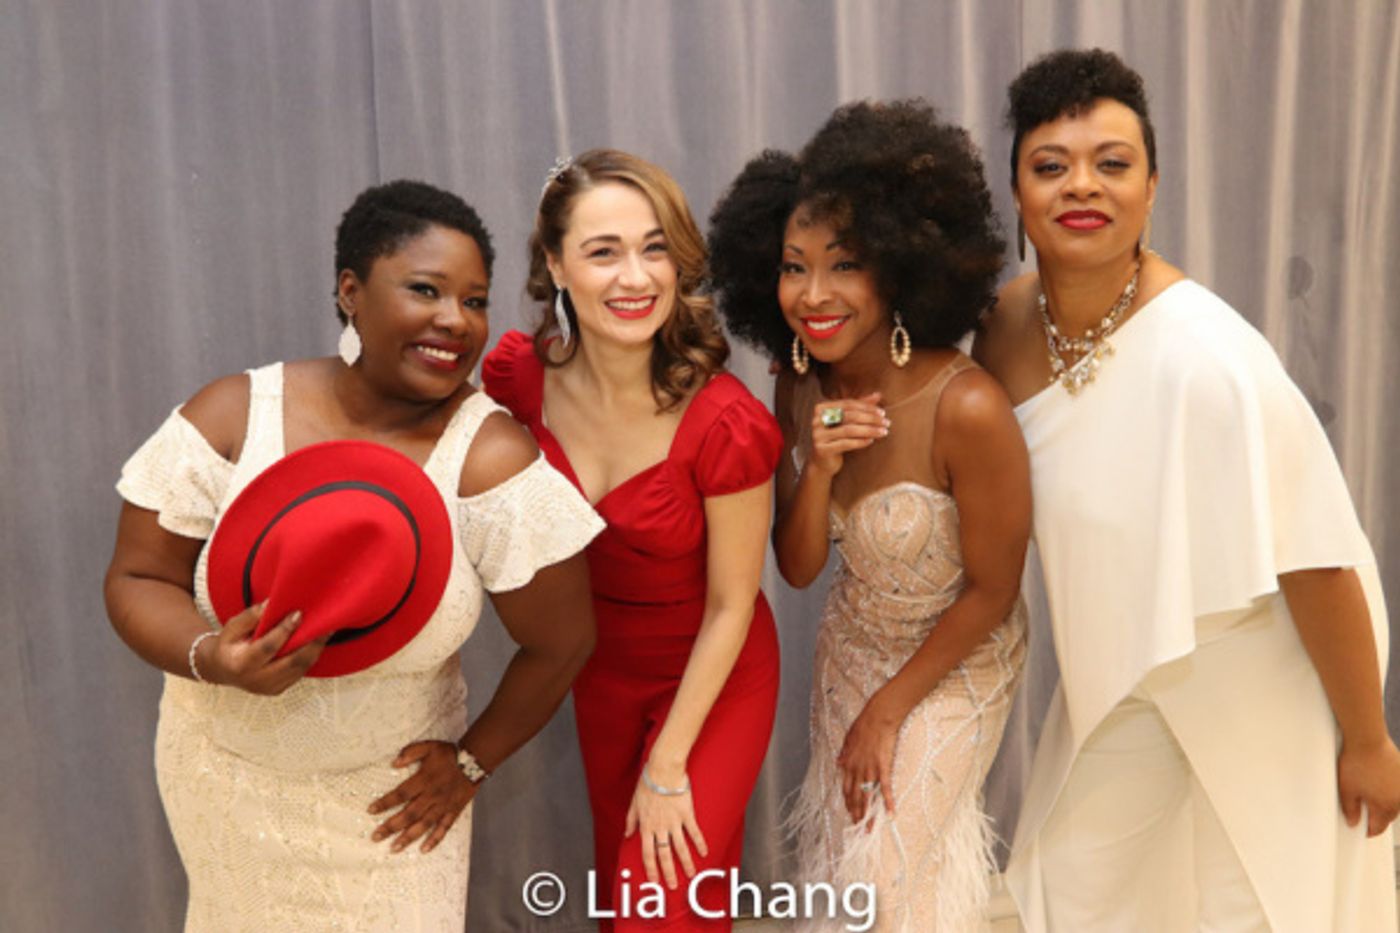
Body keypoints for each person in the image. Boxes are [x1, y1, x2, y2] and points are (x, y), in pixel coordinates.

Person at [974, 48, 1400, 932]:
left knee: (1258, 899)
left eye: (1113, 164)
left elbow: (1317, 562)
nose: (1080, 187)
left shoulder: (1211, 362)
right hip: (1132, 656)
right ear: (1016, 190)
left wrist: (1367, 739)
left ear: (1154, 185)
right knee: (1068, 887)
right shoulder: (1005, 327)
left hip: (1268, 663)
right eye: (1050, 166)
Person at [104, 180, 602, 931]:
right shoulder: (236, 415)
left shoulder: (488, 458)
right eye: (426, 289)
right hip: (222, 778)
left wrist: (469, 764)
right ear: (351, 291)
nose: (454, 320)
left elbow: (563, 640)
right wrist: (212, 655)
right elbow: (139, 575)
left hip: (389, 809)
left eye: (474, 300)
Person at [708, 100, 1031, 932]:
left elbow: (994, 592)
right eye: (792, 265)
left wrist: (887, 710)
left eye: (843, 264)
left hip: (961, 652)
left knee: (883, 882)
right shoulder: (797, 382)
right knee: (849, 880)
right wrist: (817, 468)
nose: (811, 295)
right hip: (853, 643)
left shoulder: (968, 406)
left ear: (896, 265)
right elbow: (801, 566)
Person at [483, 148, 782, 931]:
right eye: (603, 251)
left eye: (655, 248)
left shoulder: (727, 423)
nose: (636, 277)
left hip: (713, 674)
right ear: (554, 264)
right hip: (602, 674)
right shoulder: (519, 378)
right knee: (629, 906)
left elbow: (733, 604)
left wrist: (671, 760)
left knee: (664, 906)